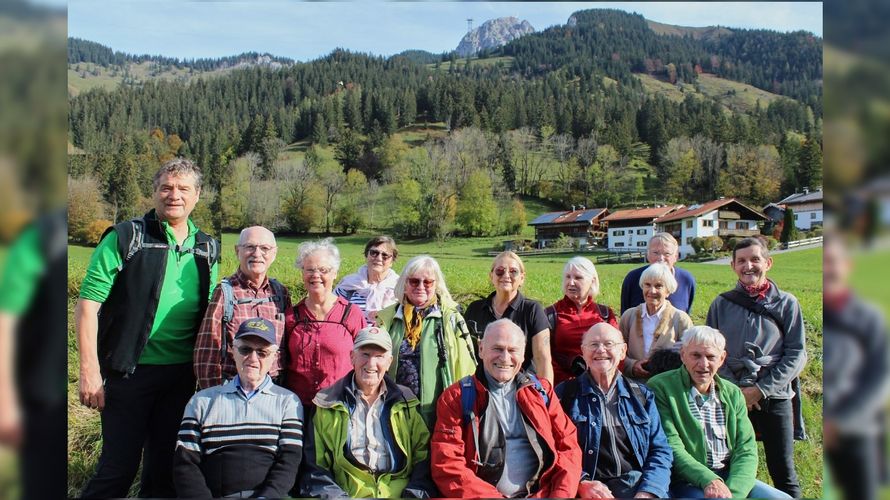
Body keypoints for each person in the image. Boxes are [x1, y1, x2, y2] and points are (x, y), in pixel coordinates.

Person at [76, 158, 220, 498]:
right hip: (128, 374)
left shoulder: (207, 246)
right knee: (117, 471)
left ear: (197, 195)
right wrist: (89, 370)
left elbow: (211, 311)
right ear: (154, 192)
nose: (174, 195)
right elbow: (86, 307)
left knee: (164, 474)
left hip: (181, 376)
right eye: (166, 187)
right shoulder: (126, 237)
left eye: (184, 188)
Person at [430, 319, 582, 498]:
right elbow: (448, 464)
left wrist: (560, 494)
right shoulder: (456, 398)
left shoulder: (542, 392)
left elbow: (568, 446)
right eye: (497, 348)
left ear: (523, 354)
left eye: (512, 350)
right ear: (481, 349)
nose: (505, 358)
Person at [706, 236, 806, 497]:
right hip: (731, 397)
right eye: (741, 261)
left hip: (775, 396)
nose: (748, 266)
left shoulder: (787, 303)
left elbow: (796, 354)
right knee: (728, 465)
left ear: (768, 263)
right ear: (733, 266)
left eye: (755, 259)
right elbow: (712, 352)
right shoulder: (721, 303)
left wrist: (760, 390)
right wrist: (736, 391)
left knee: (782, 469)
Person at [647, 326, 791, 498]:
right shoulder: (661, 387)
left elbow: (746, 447)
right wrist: (709, 480)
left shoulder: (733, 392)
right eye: (696, 355)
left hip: (729, 477)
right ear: (683, 355)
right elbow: (672, 446)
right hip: (686, 479)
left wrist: (735, 493)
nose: (703, 364)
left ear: (722, 359)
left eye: (710, 357)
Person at [173, 318, 303, 498]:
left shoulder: (288, 402)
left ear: (274, 357)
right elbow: (185, 464)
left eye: (262, 353)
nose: (253, 358)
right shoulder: (201, 401)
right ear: (233, 351)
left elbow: (289, 461)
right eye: (245, 349)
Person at [301, 325, 436, 498]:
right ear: (352, 357)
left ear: (389, 363)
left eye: (379, 356)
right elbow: (315, 468)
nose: (371, 364)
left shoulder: (405, 402)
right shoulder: (327, 403)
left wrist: (413, 495)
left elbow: (423, 457)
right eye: (365, 354)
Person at [556, 323, 672, 499]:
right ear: (583, 352)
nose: (601, 350)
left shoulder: (642, 395)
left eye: (609, 344)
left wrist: (649, 491)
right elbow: (553, 448)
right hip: (587, 490)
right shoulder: (565, 394)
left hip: (635, 486)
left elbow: (660, 449)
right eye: (593, 344)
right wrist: (581, 482)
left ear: (623, 351)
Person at [823, 234, 890, 500]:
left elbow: (879, 376)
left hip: (857, 428)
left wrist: (840, 422)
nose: (827, 268)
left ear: (847, 266)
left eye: (833, 261)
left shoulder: (868, 317)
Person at [376, 255, 476, 428]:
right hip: (393, 411)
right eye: (414, 281)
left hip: (437, 413)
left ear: (436, 285)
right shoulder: (388, 318)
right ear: (404, 285)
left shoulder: (450, 319)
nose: (421, 287)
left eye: (427, 282)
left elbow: (466, 367)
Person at [194, 225, 290, 389]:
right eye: (250, 247)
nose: (257, 254)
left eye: (264, 248)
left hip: (274, 392)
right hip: (234, 390)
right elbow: (206, 354)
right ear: (237, 251)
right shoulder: (226, 292)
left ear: (274, 254)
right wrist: (215, 397)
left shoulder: (280, 293)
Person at [282, 238, 366, 412]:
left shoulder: (351, 314)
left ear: (335, 273)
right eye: (310, 269)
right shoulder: (292, 316)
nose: (316, 275)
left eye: (323, 270)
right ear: (302, 273)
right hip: (297, 408)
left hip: (340, 406)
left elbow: (365, 358)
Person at [464, 251, 553, 383]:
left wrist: (546, 398)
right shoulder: (474, 309)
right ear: (491, 276)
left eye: (513, 271)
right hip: (480, 388)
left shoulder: (532, 310)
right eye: (500, 271)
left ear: (522, 278)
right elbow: (464, 356)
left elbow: (543, 360)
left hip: (521, 388)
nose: (506, 275)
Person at [548, 256, 618, 385]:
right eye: (568, 277)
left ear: (592, 280)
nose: (571, 282)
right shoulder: (551, 314)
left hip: (601, 385)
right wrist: (567, 384)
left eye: (578, 278)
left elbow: (617, 351)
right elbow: (545, 355)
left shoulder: (605, 314)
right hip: (564, 387)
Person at [619, 263, 693, 381]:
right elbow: (618, 350)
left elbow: (690, 355)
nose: (652, 291)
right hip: (632, 384)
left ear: (668, 291)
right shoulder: (628, 316)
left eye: (658, 286)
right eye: (647, 285)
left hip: (666, 386)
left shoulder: (680, 319)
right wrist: (632, 365)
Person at [620, 233, 696, 314]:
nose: (661, 258)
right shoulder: (633, 278)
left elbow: (686, 317)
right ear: (648, 255)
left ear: (676, 257)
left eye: (667, 254)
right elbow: (625, 317)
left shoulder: (686, 280)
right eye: (655, 253)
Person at [335, 235, 400, 325]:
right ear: (366, 255)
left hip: (387, 338)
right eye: (374, 253)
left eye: (385, 255)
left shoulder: (400, 288)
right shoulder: (348, 285)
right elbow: (331, 314)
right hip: (352, 337)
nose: (379, 258)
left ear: (392, 261)